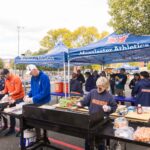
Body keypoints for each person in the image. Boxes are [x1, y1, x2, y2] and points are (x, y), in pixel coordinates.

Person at [77, 77, 117, 150]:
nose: (98, 89)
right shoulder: (92, 92)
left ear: (106, 87)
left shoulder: (109, 96)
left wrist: (109, 108)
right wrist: (80, 103)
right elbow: (85, 101)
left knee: (100, 142)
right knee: (88, 141)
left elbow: (114, 106)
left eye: (101, 88)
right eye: (97, 87)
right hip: (91, 120)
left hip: (102, 122)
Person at [24, 64, 51, 140]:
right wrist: (28, 95)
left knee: (44, 120)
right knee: (36, 120)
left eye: (31, 73)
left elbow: (45, 92)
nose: (30, 74)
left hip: (44, 102)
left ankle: (45, 136)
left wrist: (33, 99)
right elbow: (32, 89)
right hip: (36, 101)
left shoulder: (44, 77)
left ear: (35, 70)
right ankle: (38, 137)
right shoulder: (33, 77)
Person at [0, 69, 25, 136]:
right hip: (12, 99)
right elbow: (6, 89)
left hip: (19, 98)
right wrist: (1, 92)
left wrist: (9, 95)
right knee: (11, 114)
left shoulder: (16, 78)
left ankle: (22, 129)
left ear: (8, 73)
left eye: (5, 76)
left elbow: (18, 90)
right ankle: (12, 129)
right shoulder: (6, 80)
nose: (4, 77)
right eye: (3, 76)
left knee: (20, 115)